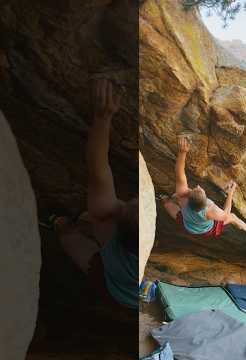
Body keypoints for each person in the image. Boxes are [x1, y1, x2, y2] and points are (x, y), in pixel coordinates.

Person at [50, 79, 138, 310]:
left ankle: (58, 223)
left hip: (111, 287)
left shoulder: (107, 218)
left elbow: (98, 169)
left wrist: (103, 118)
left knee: (70, 236)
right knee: (89, 220)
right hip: (132, 297)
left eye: (132, 203)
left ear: (117, 220)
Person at [162, 136, 246, 237]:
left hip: (188, 224)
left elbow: (179, 173)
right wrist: (231, 192)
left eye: (197, 188)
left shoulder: (182, 197)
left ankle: (165, 199)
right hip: (203, 229)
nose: (198, 186)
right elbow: (226, 213)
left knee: (168, 203)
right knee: (232, 217)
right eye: (200, 189)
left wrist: (182, 152)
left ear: (188, 197)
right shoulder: (210, 210)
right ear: (205, 200)